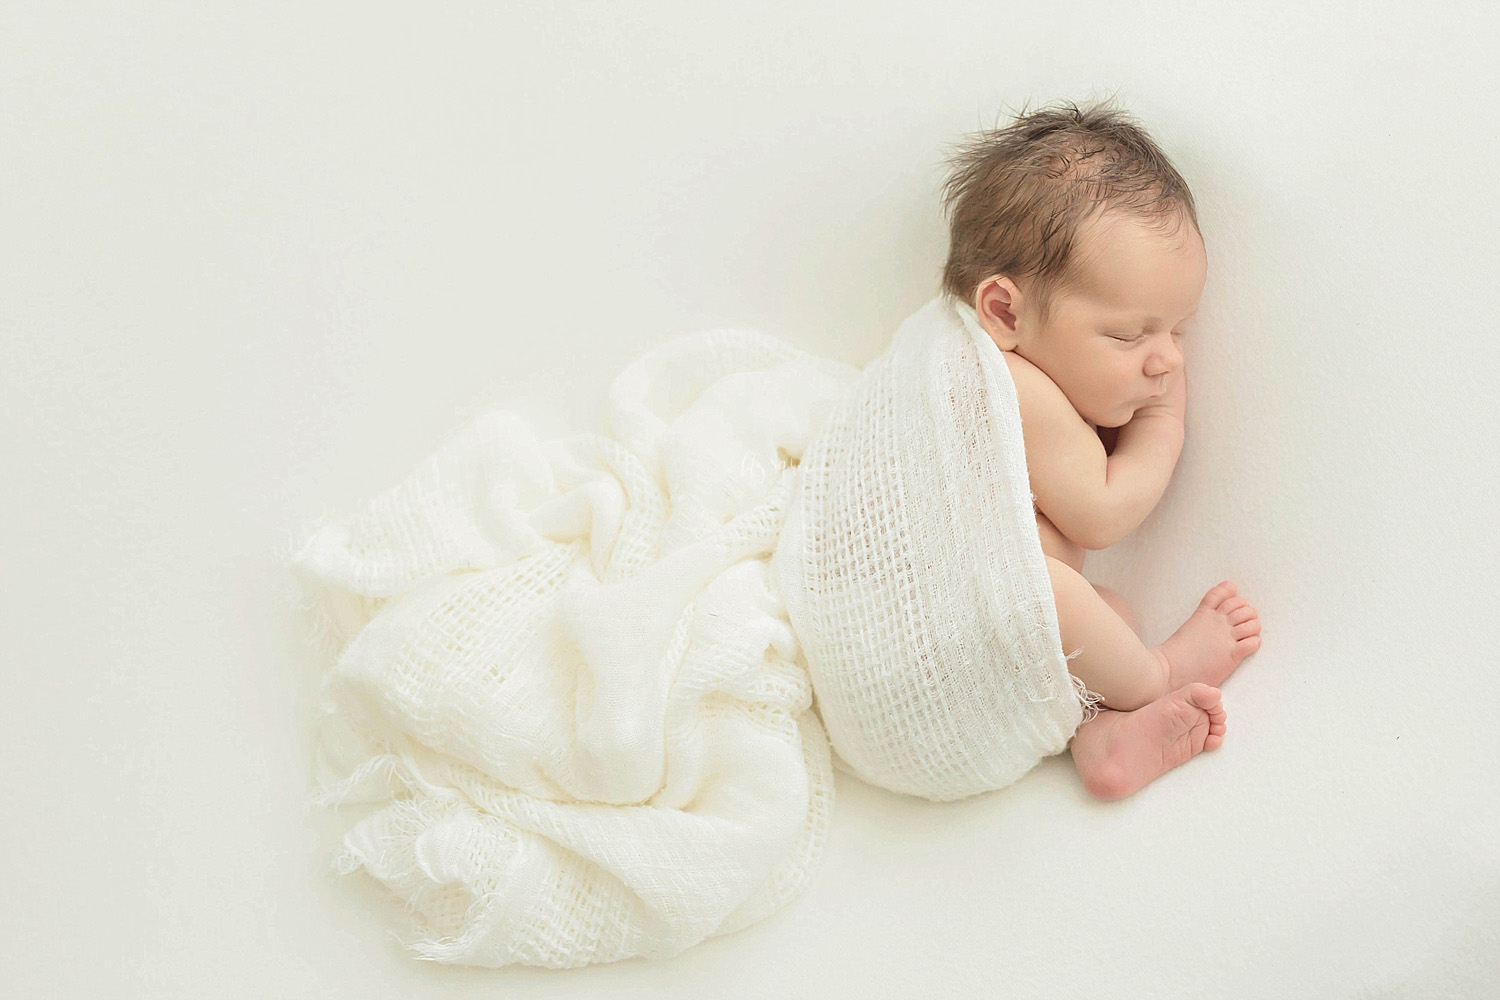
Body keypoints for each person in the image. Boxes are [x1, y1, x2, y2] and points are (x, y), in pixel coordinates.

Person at [939, 98, 1263, 801]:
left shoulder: (1012, 369)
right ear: (1003, 313)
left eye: (1177, 331)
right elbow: (1101, 515)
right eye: (1127, 336)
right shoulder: (1003, 384)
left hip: (973, 656)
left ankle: (1103, 737)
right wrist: (1163, 425)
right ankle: (1158, 674)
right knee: (1052, 591)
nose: (1165, 361)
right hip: (929, 642)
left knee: (1102, 609)